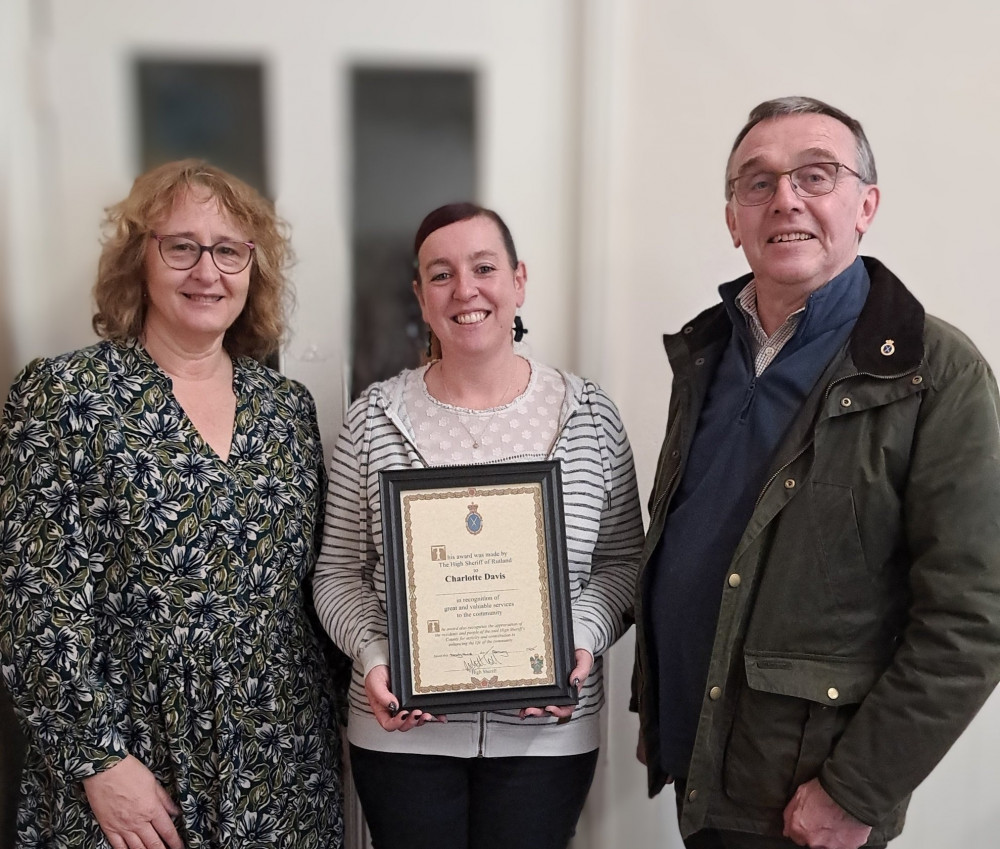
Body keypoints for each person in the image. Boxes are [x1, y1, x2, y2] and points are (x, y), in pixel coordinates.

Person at [632, 96, 1000, 849]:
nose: (785, 198)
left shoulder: (937, 372)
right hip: (703, 770)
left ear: (865, 204)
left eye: (816, 174)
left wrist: (855, 789)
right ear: (733, 218)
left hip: (807, 801)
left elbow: (975, 615)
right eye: (757, 182)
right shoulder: (705, 354)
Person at [0, 159, 344, 849]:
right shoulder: (68, 396)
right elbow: (33, 598)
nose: (206, 271)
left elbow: (314, 585)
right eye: (181, 246)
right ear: (140, 260)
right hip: (133, 757)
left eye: (229, 250)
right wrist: (98, 760)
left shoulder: (288, 411)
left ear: (254, 269)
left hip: (282, 760)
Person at [313, 202, 644, 849]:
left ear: (518, 280)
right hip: (401, 731)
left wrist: (577, 637)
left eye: (484, 267)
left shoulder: (589, 416)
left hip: (546, 736)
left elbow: (623, 563)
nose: (465, 289)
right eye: (441, 274)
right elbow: (337, 573)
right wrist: (378, 655)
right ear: (420, 296)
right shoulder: (373, 419)